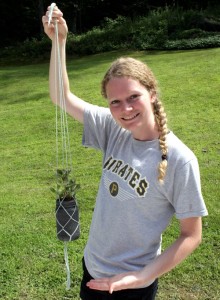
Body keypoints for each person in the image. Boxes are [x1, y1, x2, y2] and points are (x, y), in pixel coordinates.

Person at [42, 5, 208, 300]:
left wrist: (141, 276)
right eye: (115, 101)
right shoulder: (113, 128)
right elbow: (61, 96)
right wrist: (59, 41)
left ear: (152, 93)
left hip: (132, 284)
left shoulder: (180, 160)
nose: (125, 109)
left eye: (133, 97)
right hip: (93, 268)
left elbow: (191, 235)